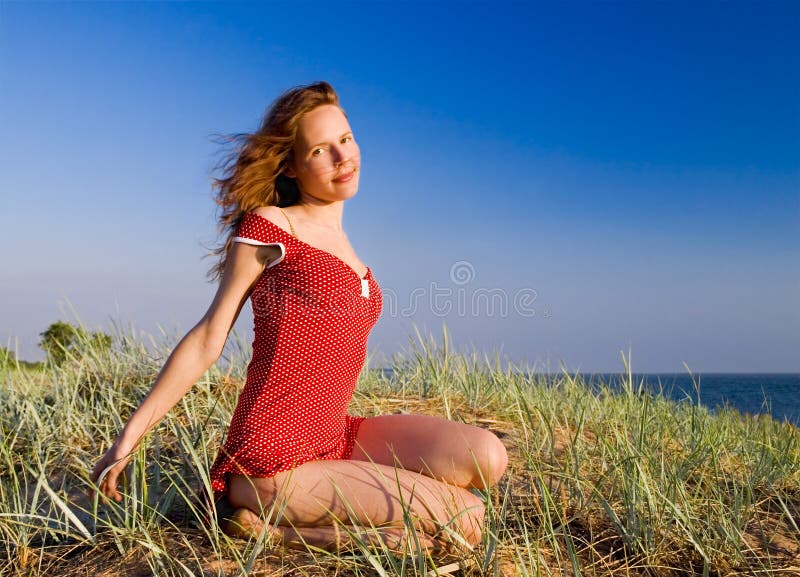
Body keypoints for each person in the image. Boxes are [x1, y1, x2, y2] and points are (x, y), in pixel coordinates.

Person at [90, 81, 509, 556]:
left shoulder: (351, 252)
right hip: (272, 457)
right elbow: (209, 336)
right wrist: (128, 438)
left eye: (346, 140)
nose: (341, 157)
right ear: (291, 165)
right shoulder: (272, 227)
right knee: (468, 519)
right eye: (320, 150)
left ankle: (314, 521)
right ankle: (277, 529)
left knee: (488, 457)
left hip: (336, 434)